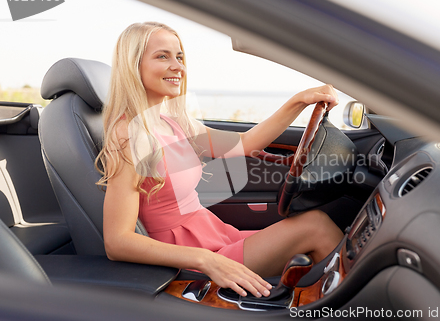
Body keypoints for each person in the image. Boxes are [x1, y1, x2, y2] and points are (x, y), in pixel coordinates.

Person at [96, 21, 344, 299]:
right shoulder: (128, 136)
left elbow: (245, 144)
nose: (178, 66)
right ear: (133, 65)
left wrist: (299, 101)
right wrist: (206, 260)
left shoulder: (173, 123)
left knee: (314, 228)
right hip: (191, 262)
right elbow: (117, 242)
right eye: (162, 56)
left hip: (215, 238)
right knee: (316, 226)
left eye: (179, 57)